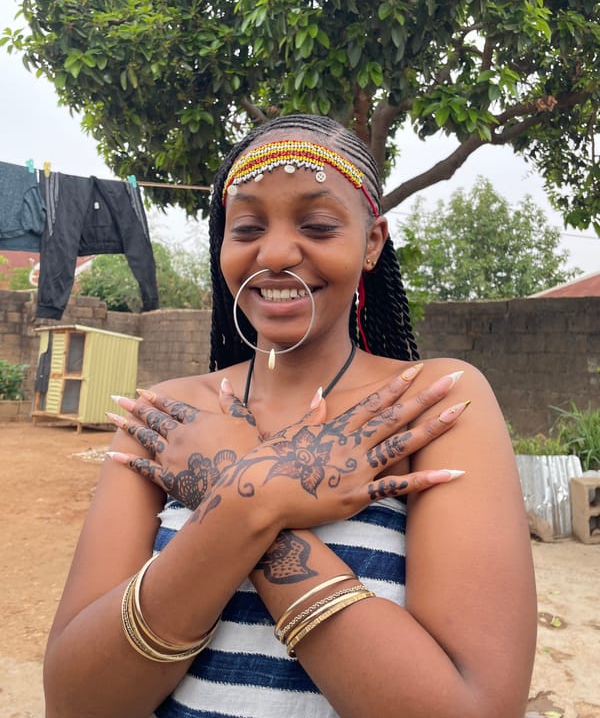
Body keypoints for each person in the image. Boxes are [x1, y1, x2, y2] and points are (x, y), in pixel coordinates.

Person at [43, 114, 537, 718]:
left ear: (373, 241)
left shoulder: (431, 404)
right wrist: (261, 495)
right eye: (246, 226)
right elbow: (75, 702)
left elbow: (472, 708)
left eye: (319, 225)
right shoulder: (165, 416)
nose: (274, 253)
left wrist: (236, 489)